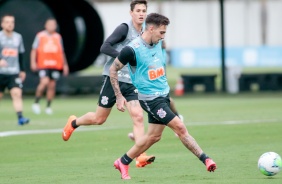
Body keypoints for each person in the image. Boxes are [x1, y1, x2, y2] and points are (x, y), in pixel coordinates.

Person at [109, 13, 217, 180]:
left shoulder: (158, 42)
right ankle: (206, 159)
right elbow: (113, 70)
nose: (163, 36)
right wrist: (118, 96)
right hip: (150, 100)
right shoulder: (132, 49)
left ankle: (122, 162)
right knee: (180, 127)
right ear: (150, 28)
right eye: (161, 32)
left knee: (154, 137)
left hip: (163, 95)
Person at [62, 0, 154, 168]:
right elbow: (104, 47)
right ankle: (74, 122)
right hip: (114, 78)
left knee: (138, 116)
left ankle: (140, 156)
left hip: (131, 82)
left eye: (144, 10)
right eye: (138, 10)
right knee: (99, 119)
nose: (141, 13)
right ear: (131, 13)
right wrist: (123, 56)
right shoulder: (124, 29)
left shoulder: (146, 33)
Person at [30, 18, 69, 115]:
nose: (52, 26)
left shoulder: (57, 37)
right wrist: (33, 62)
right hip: (43, 64)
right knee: (44, 82)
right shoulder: (40, 36)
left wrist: (65, 65)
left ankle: (48, 106)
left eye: (54, 25)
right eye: (50, 24)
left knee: (52, 86)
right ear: (46, 25)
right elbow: (34, 50)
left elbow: (61, 52)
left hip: (55, 65)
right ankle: (36, 103)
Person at [0, 14, 29, 125]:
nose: (10, 24)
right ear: (2, 24)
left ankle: (20, 118)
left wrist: (22, 70)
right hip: (1, 73)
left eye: (12, 22)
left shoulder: (18, 37)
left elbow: (21, 54)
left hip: (13, 72)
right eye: (7, 22)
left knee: (17, 94)